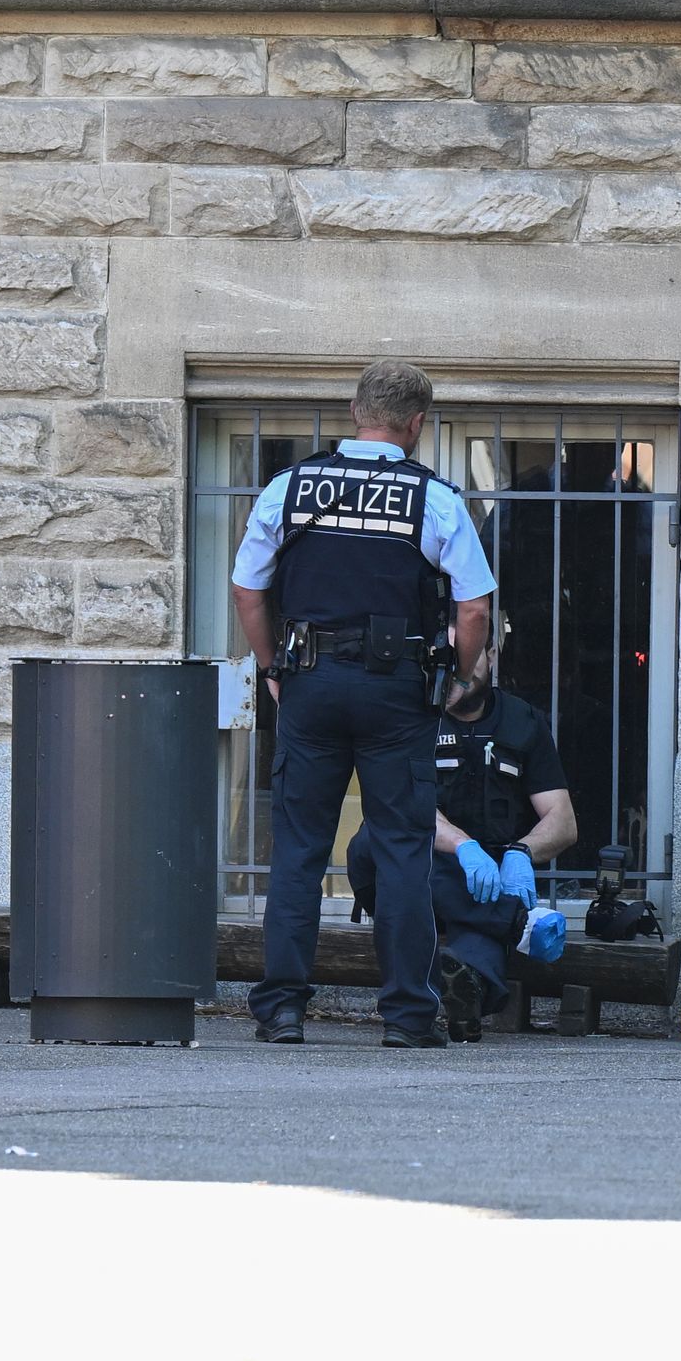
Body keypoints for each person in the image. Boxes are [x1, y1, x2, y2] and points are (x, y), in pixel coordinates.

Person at [228, 361, 497, 1048]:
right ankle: (408, 1015)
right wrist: (462, 679)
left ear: (355, 411)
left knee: (298, 851)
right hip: (398, 691)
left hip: (310, 679)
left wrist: (272, 668)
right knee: (403, 850)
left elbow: (248, 590)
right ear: (416, 424)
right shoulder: (433, 499)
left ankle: (282, 1007)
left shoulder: (290, 488)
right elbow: (473, 609)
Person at [346, 649, 581, 1043]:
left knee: (475, 944)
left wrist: (520, 853)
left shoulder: (522, 721)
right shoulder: (410, 715)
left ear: (492, 654)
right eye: (447, 656)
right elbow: (403, 809)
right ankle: (517, 923)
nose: (456, 669)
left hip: (488, 877)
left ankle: (463, 989)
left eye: (469, 655)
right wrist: (463, 846)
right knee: (373, 841)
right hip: (413, 869)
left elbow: (563, 821)